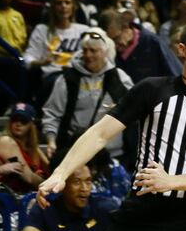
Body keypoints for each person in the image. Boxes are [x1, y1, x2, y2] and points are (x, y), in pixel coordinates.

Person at [35, 18, 186, 231]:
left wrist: (170, 181)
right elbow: (100, 133)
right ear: (182, 50)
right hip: (141, 210)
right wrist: (60, 173)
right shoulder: (152, 89)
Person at [43, 29, 133, 162]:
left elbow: (134, 111)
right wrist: (51, 140)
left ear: (105, 52)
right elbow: (52, 114)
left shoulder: (120, 78)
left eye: (93, 50)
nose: (88, 55)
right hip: (75, 151)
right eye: (85, 50)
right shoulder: (67, 79)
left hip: (113, 154)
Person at [18, 160, 111, 231]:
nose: (84, 188)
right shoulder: (45, 207)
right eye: (76, 182)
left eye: (88, 181)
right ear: (62, 185)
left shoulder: (101, 208)